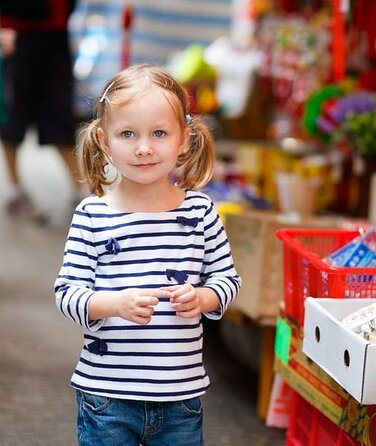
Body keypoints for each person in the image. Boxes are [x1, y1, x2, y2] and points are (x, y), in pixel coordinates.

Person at [54, 64, 241, 446]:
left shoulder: (200, 212)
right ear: (105, 142)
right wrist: (112, 304)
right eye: (128, 134)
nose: (144, 147)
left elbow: (228, 281)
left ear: (184, 139)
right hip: (106, 397)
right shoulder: (93, 214)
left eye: (159, 133)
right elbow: (67, 293)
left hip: (180, 398)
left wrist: (203, 297)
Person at [0, 0, 84, 221]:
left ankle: (83, 193)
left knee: (60, 116)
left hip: (55, 34)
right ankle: (15, 190)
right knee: (13, 115)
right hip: (17, 33)